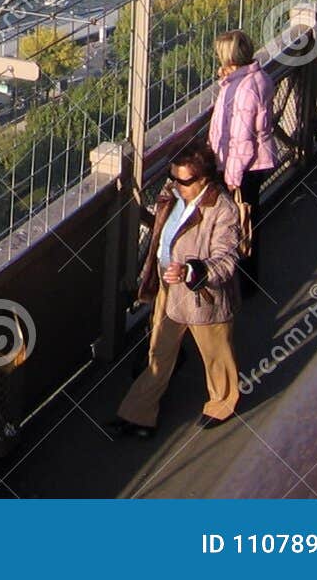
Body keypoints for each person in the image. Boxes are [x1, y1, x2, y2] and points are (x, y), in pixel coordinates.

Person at [110, 143, 241, 437]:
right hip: (170, 286)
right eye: (173, 178)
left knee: (216, 353)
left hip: (202, 294)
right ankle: (138, 413)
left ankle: (222, 402)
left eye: (184, 181)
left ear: (204, 179)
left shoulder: (223, 210)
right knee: (159, 351)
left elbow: (227, 258)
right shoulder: (174, 194)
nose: (177, 185)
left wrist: (194, 271)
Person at [206, 29, 275, 297]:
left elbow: (242, 141)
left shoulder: (243, 90)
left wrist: (230, 178)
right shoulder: (256, 78)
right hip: (257, 162)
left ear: (229, 56)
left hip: (243, 167)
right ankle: (247, 280)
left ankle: (242, 284)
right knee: (249, 220)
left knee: (238, 224)